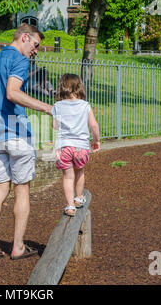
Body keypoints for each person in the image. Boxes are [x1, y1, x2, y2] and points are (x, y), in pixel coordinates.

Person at [0, 23, 52, 260]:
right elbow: (12, 92)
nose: (36, 50)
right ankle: (17, 247)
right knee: (22, 190)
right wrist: (48, 108)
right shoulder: (20, 60)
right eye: (36, 45)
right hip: (16, 134)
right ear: (25, 38)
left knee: (0, 190)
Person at [51, 74, 100, 217]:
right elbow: (94, 125)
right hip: (81, 146)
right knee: (79, 171)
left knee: (67, 177)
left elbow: (55, 126)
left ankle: (70, 206)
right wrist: (96, 140)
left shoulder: (57, 106)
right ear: (79, 87)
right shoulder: (85, 105)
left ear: (62, 87)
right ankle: (78, 198)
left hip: (63, 147)